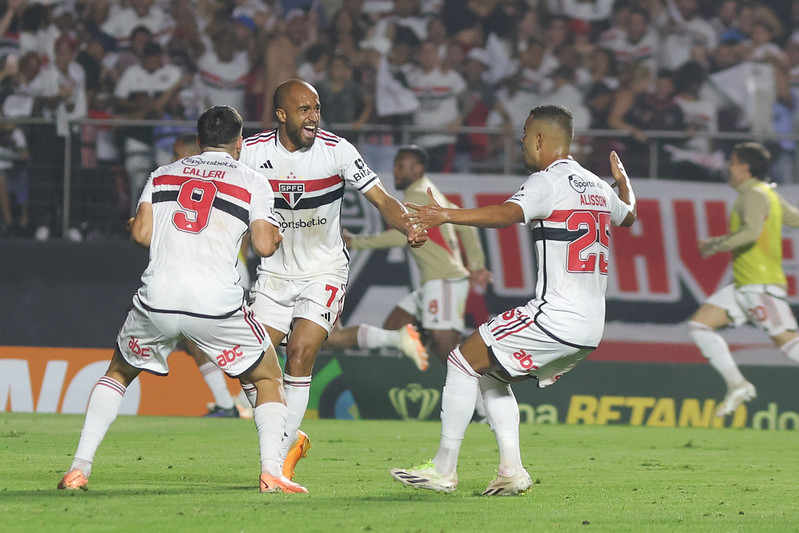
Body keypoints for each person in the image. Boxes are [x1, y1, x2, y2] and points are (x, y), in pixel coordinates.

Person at [57, 105, 306, 494]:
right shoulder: (252, 180)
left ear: (200, 138)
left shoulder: (162, 173)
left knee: (119, 373)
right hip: (214, 304)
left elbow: (140, 235)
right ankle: (271, 471)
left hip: (157, 299)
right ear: (239, 142)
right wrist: (276, 235)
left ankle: (78, 468)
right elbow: (263, 244)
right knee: (268, 378)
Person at [390, 104, 636, 496]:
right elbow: (630, 216)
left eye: (524, 134)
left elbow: (506, 214)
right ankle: (511, 470)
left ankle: (443, 469)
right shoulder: (597, 185)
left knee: (460, 359)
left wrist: (446, 216)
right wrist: (623, 182)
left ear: (539, 139)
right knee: (488, 372)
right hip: (591, 327)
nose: (521, 142)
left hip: (554, 316)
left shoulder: (547, 181)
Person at [239, 79, 427, 481]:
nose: (314, 116)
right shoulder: (251, 153)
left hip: (323, 269)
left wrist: (407, 225)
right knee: (246, 360)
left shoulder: (336, 150)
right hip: (273, 273)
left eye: (317, 108)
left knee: (301, 352)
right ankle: (289, 437)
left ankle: (276, 463)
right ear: (282, 115)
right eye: (304, 110)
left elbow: (382, 199)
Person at [328, 145, 489, 373]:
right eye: (396, 165)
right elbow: (465, 226)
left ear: (418, 168)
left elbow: (399, 234)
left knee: (446, 349)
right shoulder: (429, 190)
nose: (395, 171)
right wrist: (476, 264)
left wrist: (357, 241)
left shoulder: (418, 194)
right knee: (394, 328)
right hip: (435, 281)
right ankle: (426, 379)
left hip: (444, 281)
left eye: (401, 166)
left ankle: (483, 393)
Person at [688, 142, 799, 417]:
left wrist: (715, 244)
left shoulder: (753, 195)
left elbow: (750, 233)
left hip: (759, 286)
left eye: (733, 161)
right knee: (700, 325)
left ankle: (738, 384)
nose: (729, 166)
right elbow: (796, 218)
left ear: (745, 167)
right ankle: (737, 384)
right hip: (743, 286)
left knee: (790, 346)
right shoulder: (768, 195)